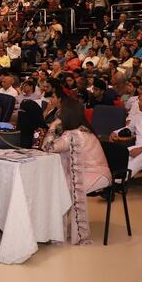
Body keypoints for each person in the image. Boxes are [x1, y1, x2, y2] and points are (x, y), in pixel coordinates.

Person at [42, 98, 111, 245]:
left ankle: (54, 231)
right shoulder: (80, 129)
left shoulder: (73, 135)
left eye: (60, 112)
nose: (58, 114)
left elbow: (48, 147)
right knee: (57, 186)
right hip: (93, 171)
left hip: (96, 174)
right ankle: (53, 228)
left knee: (60, 189)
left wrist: (53, 127)